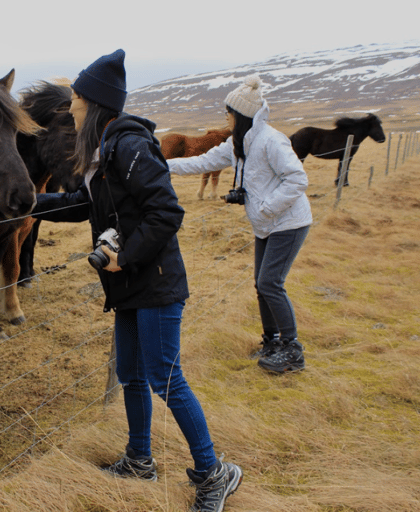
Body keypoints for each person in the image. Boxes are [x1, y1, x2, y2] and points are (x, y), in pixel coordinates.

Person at [33, 49, 242, 512]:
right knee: (131, 374)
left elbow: (166, 211)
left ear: (95, 101)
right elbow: (89, 206)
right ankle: (139, 459)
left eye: (76, 99)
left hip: (154, 282)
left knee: (164, 378)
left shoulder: (128, 146)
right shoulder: (104, 149)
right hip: (129, 286)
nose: (71, 106)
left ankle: (214, 473)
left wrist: (123, 257)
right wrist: (29, 204)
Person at [167, 74, 312, 373]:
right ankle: (271, 342)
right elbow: (201, 162)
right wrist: (161, 164)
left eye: (228, 113)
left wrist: (267, 208)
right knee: (262, 285)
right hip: (267, 224)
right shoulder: (237, 145)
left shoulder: (271, 140)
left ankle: (292, 349)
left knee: (270, 282)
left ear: (241, 115)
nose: (225, 117)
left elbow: (298, 178)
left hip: (288, 222)